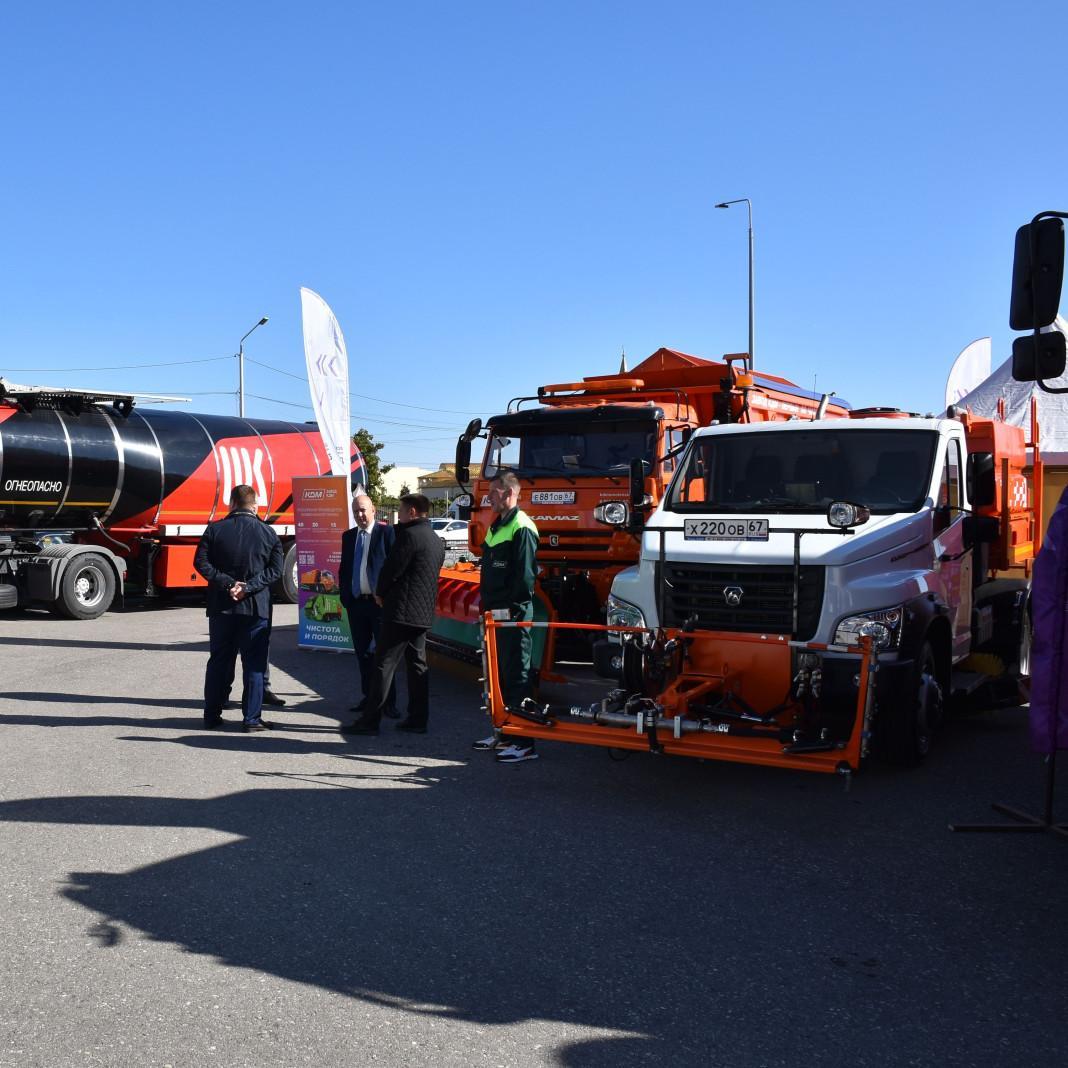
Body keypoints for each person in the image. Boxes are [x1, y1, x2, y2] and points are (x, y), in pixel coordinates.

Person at [343, 493, 445, 736]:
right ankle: (418, 719)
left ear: (412, 511)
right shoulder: (434, 538)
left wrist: (381, 592)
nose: (398, 513)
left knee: (383, 665)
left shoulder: (408, 536)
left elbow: (391, 569)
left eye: (400, 509)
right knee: (417, 665)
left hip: (401, 612)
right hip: (422, 614)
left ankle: (370, 721)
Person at [194, 484, 284, 733]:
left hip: (222, 608)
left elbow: (200, 563)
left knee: (219, 662)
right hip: (256, 609)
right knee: (253, 664)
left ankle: (211, 715)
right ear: (255, 506)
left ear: (231, 503)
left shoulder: (215, 529)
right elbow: (276, 571)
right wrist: (249, 587)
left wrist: (229, 584)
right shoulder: (269, 533)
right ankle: (251, 719)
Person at [472, 470, 540, 763]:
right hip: (494, 613)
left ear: (508, 493)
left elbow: (524, 578)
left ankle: (523, 742)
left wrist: (510, 610)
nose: (488, 496)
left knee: (517, 676)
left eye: (493, 491)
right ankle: (502, 732)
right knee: (497, 677)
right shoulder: (496, 524)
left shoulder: (522, 526)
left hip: (512, 615)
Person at [338, 492, 398, 718]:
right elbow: (344, 569)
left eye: (363, 510)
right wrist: (346, 598)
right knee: (363, 654)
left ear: (373, 510)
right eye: (356, 511)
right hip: (356, 604)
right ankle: (368, 697)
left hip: (379, 605)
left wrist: (387, 597)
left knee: (384, 656)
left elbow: (394, 569)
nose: (360, 515)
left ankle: (388, 702)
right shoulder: (348, 537)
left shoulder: (386, 533)